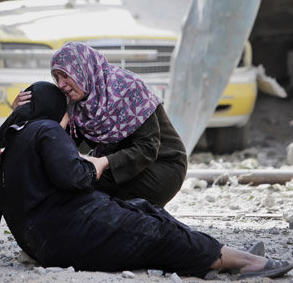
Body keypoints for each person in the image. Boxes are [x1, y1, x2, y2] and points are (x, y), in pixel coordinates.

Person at [0, 81, 293, 280]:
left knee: (141, 211)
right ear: (53, 113)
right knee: (156, 230)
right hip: (72, 233)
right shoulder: (46, 131)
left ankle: (227, 252)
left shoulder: (3, 144)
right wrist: (95, 164)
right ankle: (243, 263)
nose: (68, 125)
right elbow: (75, 178)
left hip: (40, 244)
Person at [13, 42, 187, 207]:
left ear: (82, 70)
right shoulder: (79, 102)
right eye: (56, 77)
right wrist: (22, 113)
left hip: (162, 168)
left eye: (65, 75)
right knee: (61, 173)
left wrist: (103, 162)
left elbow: (148, 147)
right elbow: (61, 147)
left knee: (78, 178)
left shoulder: (128, 88)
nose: (61, 84)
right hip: (119, 168)